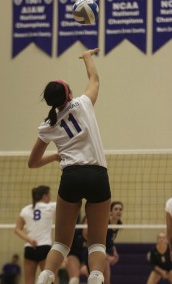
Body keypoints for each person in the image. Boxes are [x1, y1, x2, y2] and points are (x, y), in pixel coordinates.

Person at [28, 48, 111, 284]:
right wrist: (87, 57)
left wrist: (55, 157)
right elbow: (94, 79)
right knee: (97, 243)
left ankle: (45, 275)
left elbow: (32, 163)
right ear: (69, 94)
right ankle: (95, 277)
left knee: (61, 243)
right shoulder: (83, 104)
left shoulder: (47, 126)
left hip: (71, 176)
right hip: (97, 175)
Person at [65, 201, 123, 284]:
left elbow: (108, 242)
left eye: (120, 209)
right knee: (74, 280)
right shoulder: (77, 233)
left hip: (91, 255)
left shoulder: (113, 227)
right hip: (76, 256)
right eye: (116, 209)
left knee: (104, 281)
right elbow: (65, 245)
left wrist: (114, 251)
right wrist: (64, 258)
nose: (118, 211)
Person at [14, 185, 56, 284]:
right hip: (44, 247)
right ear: (45, 196)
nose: (50, 197)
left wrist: (29, 239)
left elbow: (17, 229)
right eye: (49, 194)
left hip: (29, 248)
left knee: (29, 282)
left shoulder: (25, 210)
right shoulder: (51, 206)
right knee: (50, 281)